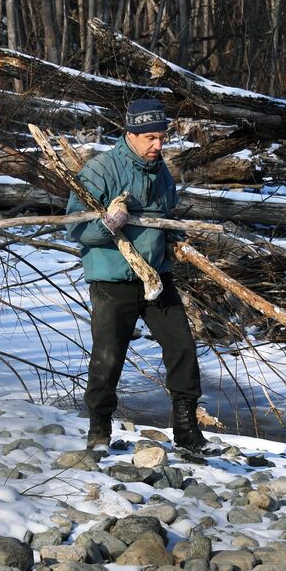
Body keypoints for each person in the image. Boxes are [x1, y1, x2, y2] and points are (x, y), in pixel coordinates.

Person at [67, 97, 211, 454]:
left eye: (162, 137)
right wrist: (106, 224)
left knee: (182, 347)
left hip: (155, 277)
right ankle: (99, 430)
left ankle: (186, 429)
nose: (158, 146)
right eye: (150, 138)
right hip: (112, 279)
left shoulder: (160, 171)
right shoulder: (101, 170)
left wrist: (177, 237)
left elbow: (163, 218)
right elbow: (76, 227)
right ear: (130, 133)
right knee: (108, 355)